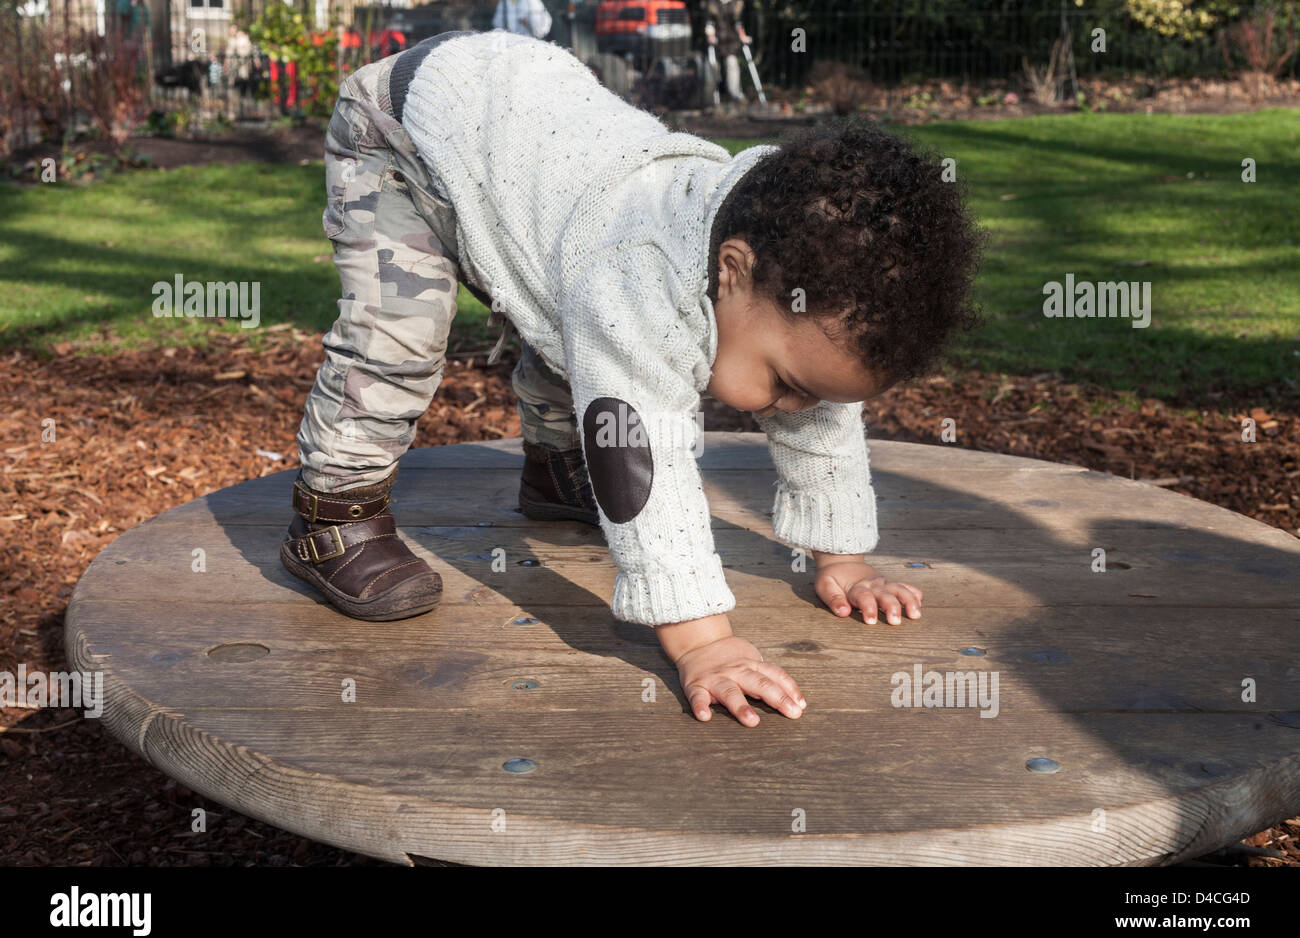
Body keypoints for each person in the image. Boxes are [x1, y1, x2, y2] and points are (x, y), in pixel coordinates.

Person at [284, 31, 984, 727]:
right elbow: (637, 452)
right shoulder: (641, 272)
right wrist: (705, 642)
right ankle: (332, 514)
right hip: (408, 129)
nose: (797, 409)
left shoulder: (792, 273)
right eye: (787, 382)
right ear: (730, 271)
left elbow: (821, 416)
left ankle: (557, 471)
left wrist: (846, 558)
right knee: (397, 341)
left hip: (521, 125)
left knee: (581, 318)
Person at [706, 0, 749, 105]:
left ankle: (735, 93)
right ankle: (711, 95)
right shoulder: (713, 4)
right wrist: (710, 35)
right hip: (717, 41)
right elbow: (710, 22)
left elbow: (738, 22)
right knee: (714, 67)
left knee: (732, 64)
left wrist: (742, 35)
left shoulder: (736, 3)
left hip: (731, 41)